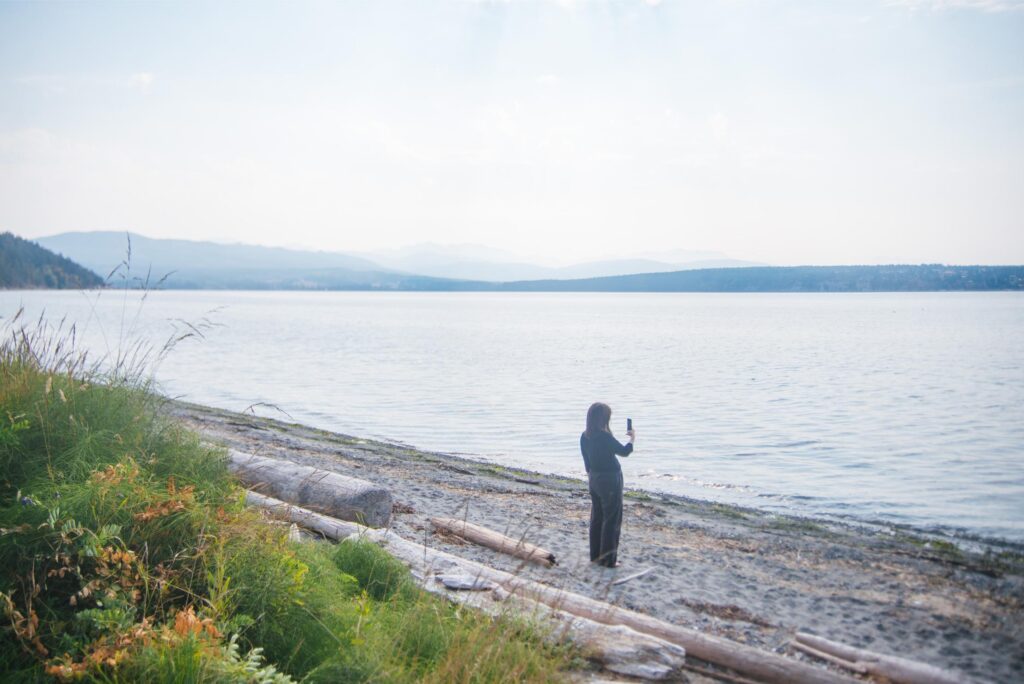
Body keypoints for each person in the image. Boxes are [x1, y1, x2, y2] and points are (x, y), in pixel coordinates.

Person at [580, 402, 635, 568]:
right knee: (611, 519)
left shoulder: (585, 436)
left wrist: (592, 476)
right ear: (603, 419)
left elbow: (587, 462)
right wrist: (632, 438)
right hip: (610, 479)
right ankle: (608, 560)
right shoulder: (604, 437)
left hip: (594, 478)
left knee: (597, 518)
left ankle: (596, 556)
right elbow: (625, 452)